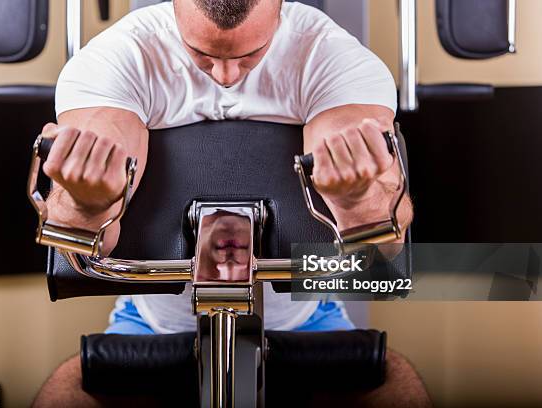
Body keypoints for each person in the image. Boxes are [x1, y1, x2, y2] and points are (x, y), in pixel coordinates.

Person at [33, 0, 430, 406]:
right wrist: (87, 203)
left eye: (249, 54)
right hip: (151, 323)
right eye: (202, 54)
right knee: (65, 393)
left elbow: (382, 253)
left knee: (398, 387)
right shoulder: (116, 60)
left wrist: (358, 201)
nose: (225, 75)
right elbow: (76, 247)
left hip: (308, 318)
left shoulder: (332, 59)